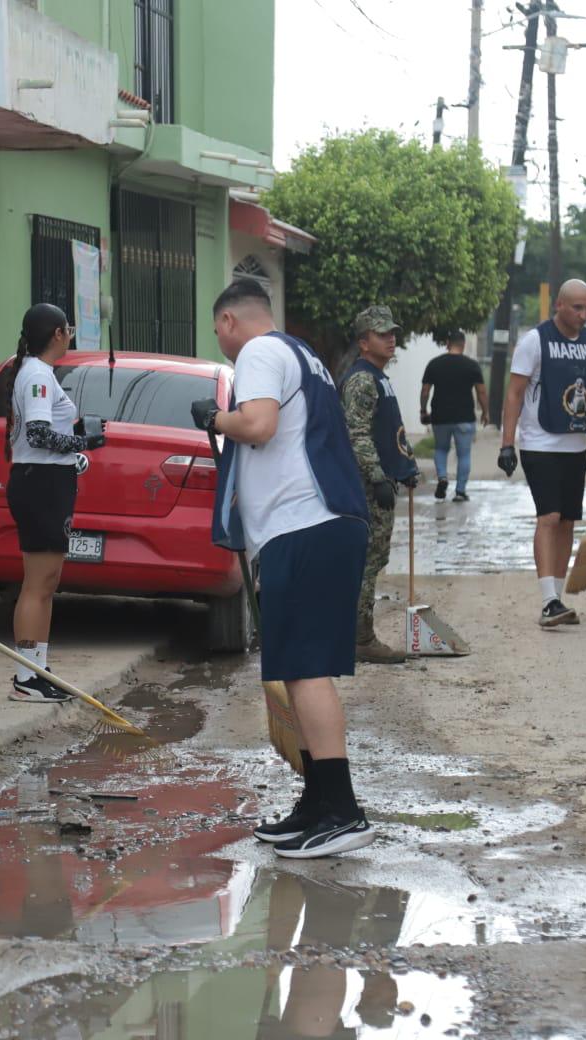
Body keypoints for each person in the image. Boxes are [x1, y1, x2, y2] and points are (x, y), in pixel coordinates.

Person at [191, 280, 374, 859]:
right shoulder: (302, 355)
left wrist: (217, 419)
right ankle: (319, 803)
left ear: (228, 320)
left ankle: (343, 811)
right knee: (299, 667)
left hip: (307, 526)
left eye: (218, 328)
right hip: (318, 525)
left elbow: (260, 425)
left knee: (307, 670)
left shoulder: (258, 353)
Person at [0, 303, 107, 701]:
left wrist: (72, 454)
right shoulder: (38, 376)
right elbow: (40, 435)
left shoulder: (35, 372)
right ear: (58, 334)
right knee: (38, 584)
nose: (70, 336)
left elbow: (38, 438)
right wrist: (84, 442)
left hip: (45, 479)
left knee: (46, 582)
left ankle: (38, 669)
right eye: (69, 330)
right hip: (40, 485)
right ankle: (26, 678)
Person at [497, 279, 586, 627]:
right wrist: (507, 442)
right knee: (548, 517)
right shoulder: (535, 341)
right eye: (578, 307)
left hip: (575, 443)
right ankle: (548, 601)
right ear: (559, 305)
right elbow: (514, 393)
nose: (584, 314)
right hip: (539, 442)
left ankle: (558, 599)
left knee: (566, 521)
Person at [342, 305, 419, 664]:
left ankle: (359, 634)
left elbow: (389, 430)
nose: (391, 339)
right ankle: (361, 638)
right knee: (367, 564)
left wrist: (405, 466)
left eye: (392, 332)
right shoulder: (361, 380)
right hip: (367, 488)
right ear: (363, 342)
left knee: (374, 560)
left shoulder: (379, 377)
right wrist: (377, 478)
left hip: (383, 480)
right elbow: (357, 435)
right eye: (382, 334)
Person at [419, 329, 489, 501]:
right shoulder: (471, 365)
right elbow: (481, 392)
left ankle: (442, 477)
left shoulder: (434, 364)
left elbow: (425, 390)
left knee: (441, 449)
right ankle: (460, 491)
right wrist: (486, 412)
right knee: (464, 454)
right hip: (464, 417)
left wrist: (423, 409)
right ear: (463, 345)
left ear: (447, 344)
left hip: (440, 417)